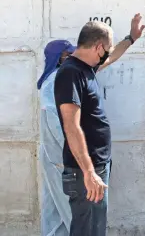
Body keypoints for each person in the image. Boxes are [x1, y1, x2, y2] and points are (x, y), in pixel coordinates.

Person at [54, 13, 145, 236]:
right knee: (87, 231)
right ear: (97, 47)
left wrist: (131, 38)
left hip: (96, 167)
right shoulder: (70, 74)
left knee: (95, 229)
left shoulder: (86, 69)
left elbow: (112, 57)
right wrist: (88, 172)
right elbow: (71, 127)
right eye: (106, 48)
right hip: (85, 172)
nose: (106, 53)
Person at [38, 40, 76, 236]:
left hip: (55, 154)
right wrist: (72, 151)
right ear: (58, 57)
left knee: (54, 209)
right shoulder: (55, 80)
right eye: (68, 54)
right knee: (71, 209)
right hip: (59, 155)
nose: (72, 58)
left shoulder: (59, 77)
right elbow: (52, 119)